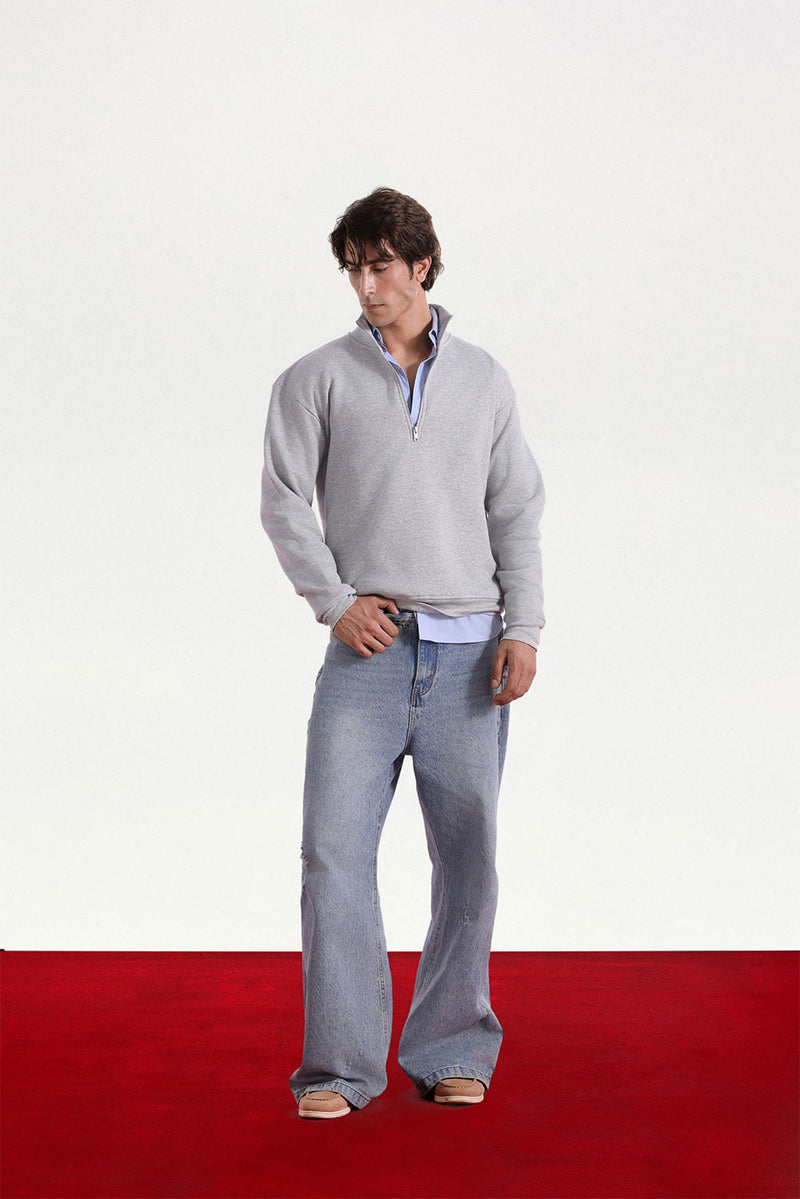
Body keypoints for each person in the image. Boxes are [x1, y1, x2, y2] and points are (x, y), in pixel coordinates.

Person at [260, 187, 545, 1120]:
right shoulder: (315, 378)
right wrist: (336, 603)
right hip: (367, 659)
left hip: (471, 657)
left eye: (381, 265)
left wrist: (524, 627)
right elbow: (282, 502)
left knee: (469, 861)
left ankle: (453, 1047)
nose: (366, 284)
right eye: (353, 267)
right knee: (332, 854)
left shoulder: (485, 379)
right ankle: (340, 1067)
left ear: (422, 264)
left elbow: (516, 509)